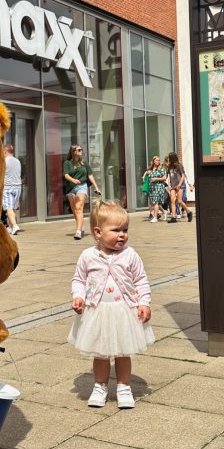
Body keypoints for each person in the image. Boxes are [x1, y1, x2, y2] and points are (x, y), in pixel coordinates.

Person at [68, 200, 154, 409]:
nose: (122, 235)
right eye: (116, 230)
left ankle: (124, 386)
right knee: (101, 353)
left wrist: (144, 302)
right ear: (98, 232)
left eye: (125, 229)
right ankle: (100, 386)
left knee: (123, 352)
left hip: (124, 310)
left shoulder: (130, 255)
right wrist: (78, 296)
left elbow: (141, 280)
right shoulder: (88, 256)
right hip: (97, 311)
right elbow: (79, 279)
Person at [63, 144, 101, 240]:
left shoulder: (84, 163)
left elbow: (90, 175)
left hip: (82, 187)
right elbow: (66, 175)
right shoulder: (67, 163)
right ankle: (81, 226)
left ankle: (78, 231)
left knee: (78, 208)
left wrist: (96, 187)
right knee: (75, 211)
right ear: (73, 152)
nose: (81, 151)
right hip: (71, 188)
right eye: (79, 150)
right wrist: (73, 180)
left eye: (81, 149)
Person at [165, 152, 192, 223]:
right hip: (173, 186)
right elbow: (167, 177)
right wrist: (169, 185)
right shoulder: (169, 167)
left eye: (170, 157)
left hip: (180, 185)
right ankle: (173, 217)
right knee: (172, 201)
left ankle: (189, 212)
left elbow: (183, 176)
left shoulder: (179, 166)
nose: (169, 159)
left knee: (179, 201)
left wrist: (179, 184)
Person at [2, 144, 22, 235]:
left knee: (8, 208)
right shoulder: (17, 161)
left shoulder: (4, 161)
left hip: (8, 188)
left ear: (5, 152)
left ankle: (14, 225)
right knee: (13, 208)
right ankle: (10, 227)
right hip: (18, 187)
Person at [146, 156, 167, 222]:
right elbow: (148, 177)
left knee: (156, 203)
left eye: (159, 160)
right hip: (152, 187)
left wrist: (156, 178)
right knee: (153, 203)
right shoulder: (151, 169)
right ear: (153, 161)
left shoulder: (161, 169)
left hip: (159, 187)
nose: (158, 161)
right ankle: (164, 211)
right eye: (157, 160)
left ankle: (155, 217)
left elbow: (164, 178)